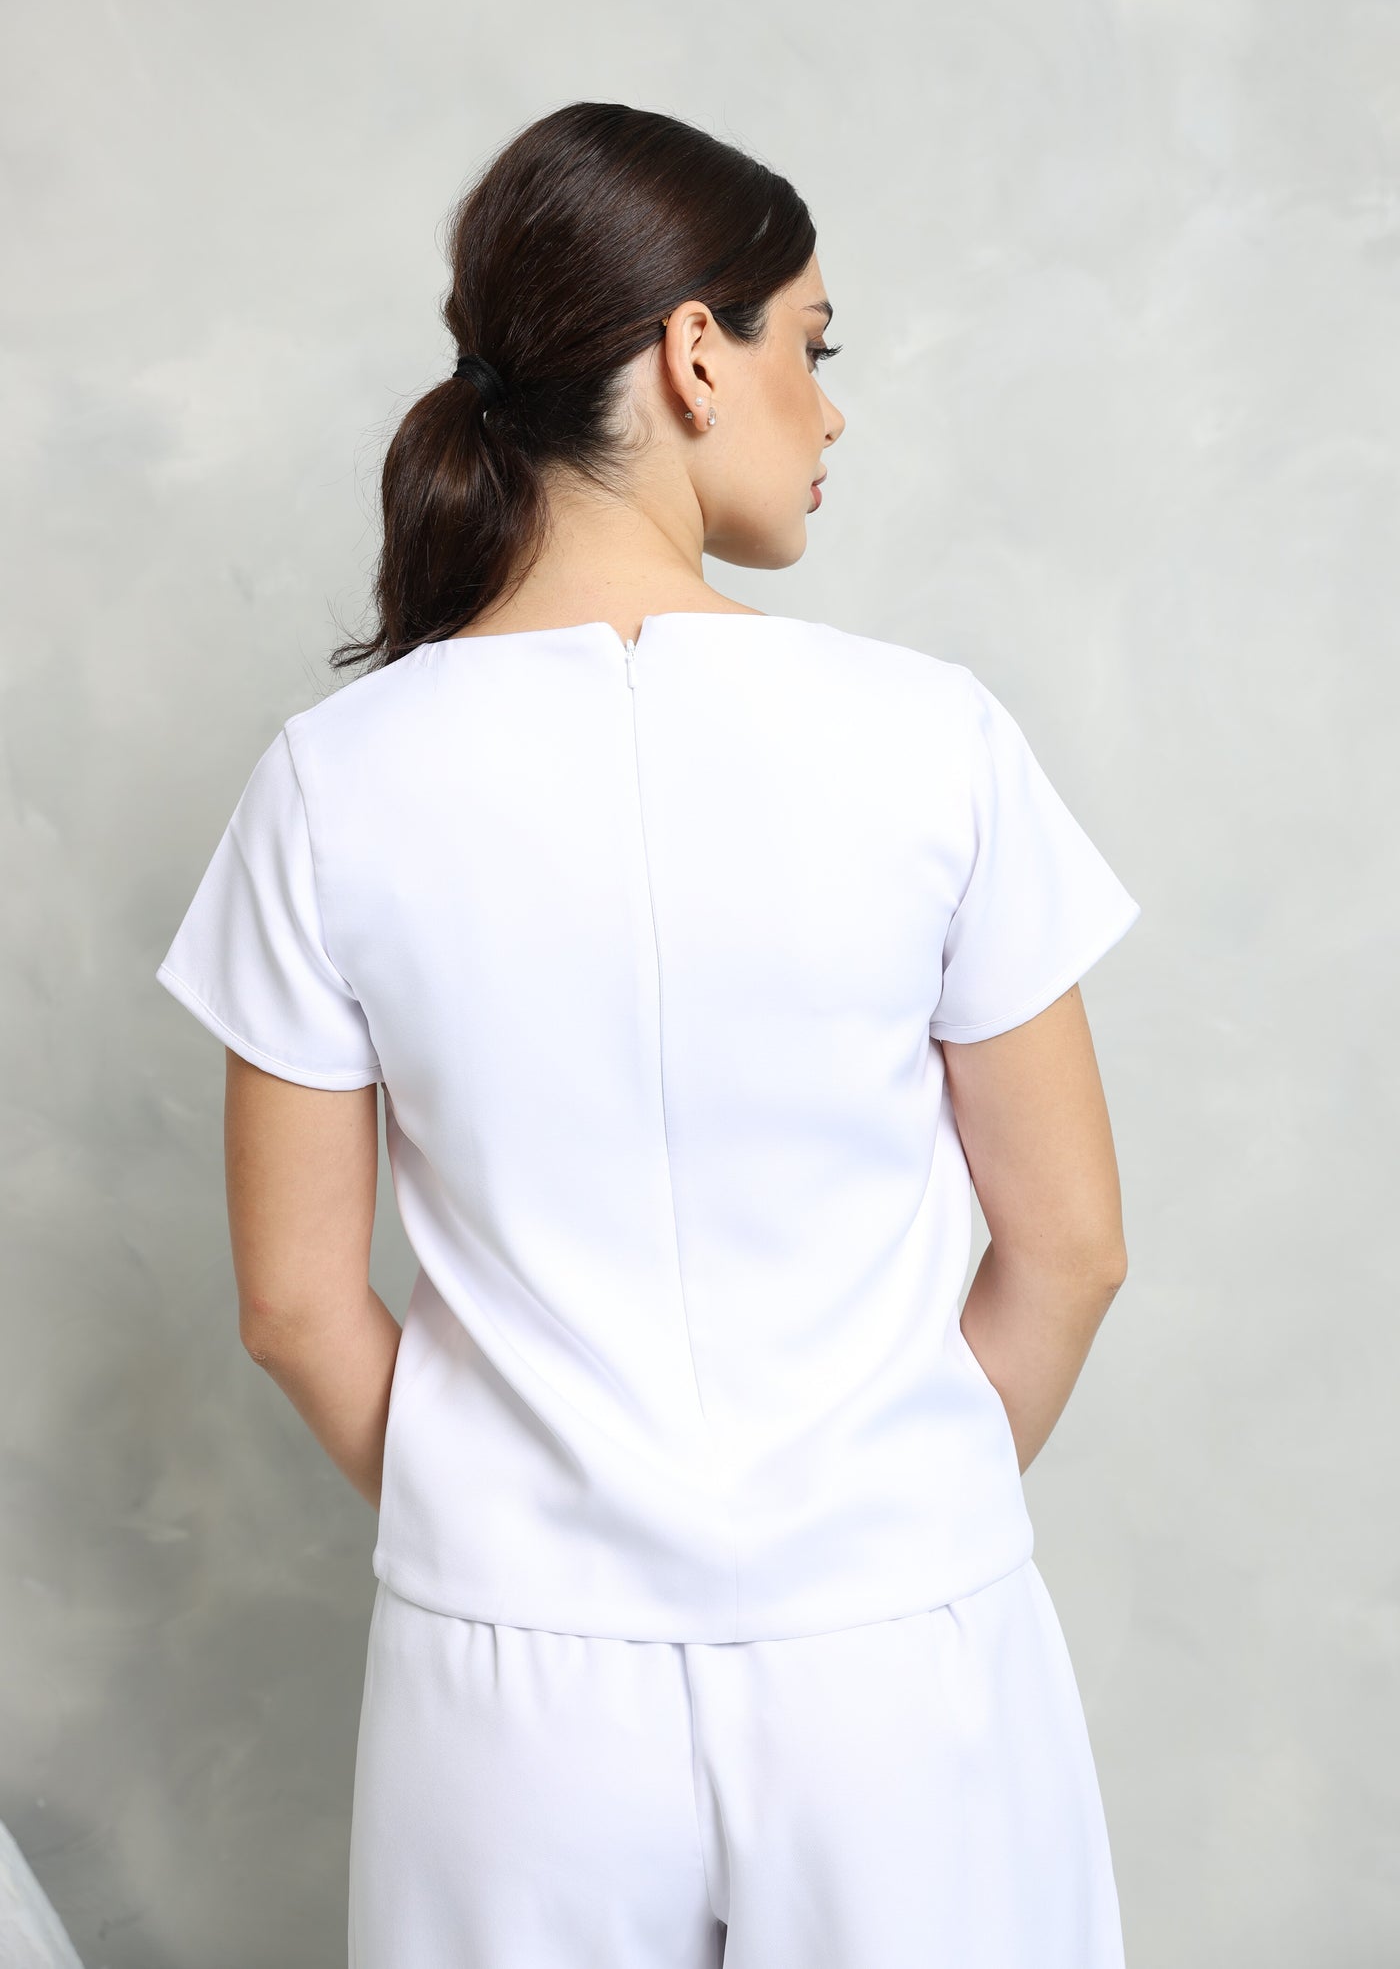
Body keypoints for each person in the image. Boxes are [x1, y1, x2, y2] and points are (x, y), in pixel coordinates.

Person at [154, 101, 1141, 1969]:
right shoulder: (931, 740)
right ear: (698, 352)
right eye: (812, 345)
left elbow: (293, 1304)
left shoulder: (332, 783)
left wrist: (515, 1530)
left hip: (511, 1701)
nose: (829, 410)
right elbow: (1073, 1247)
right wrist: (883, 1521)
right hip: (900, 1661)